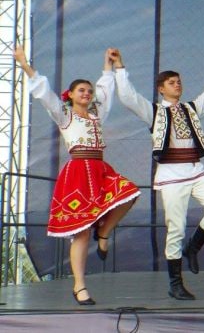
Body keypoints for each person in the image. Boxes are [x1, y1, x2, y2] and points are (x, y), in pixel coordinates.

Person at [15, 46, 140, 305]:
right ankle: (79, 286)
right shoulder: (64, 115)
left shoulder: (96, 115)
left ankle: (104, 232)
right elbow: (44, 93)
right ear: (70, 95)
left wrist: (108, 64)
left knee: (130, 193)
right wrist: (25, 65)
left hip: (100, 169)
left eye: (89, 91)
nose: (87, 93)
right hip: (78, 173)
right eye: (81, 90)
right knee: (81, 232)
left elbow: (106, 90)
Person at [114, 46, 204, 300]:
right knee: (176, 228)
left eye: (179, 81)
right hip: (171, 176)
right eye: (172, 82)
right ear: (161, 89)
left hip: (196, 171)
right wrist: (119, 66)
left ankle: (193, 247)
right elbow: (128, 97)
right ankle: (175, 284)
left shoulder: (191, 108)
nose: (177, 85)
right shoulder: (154, 112)